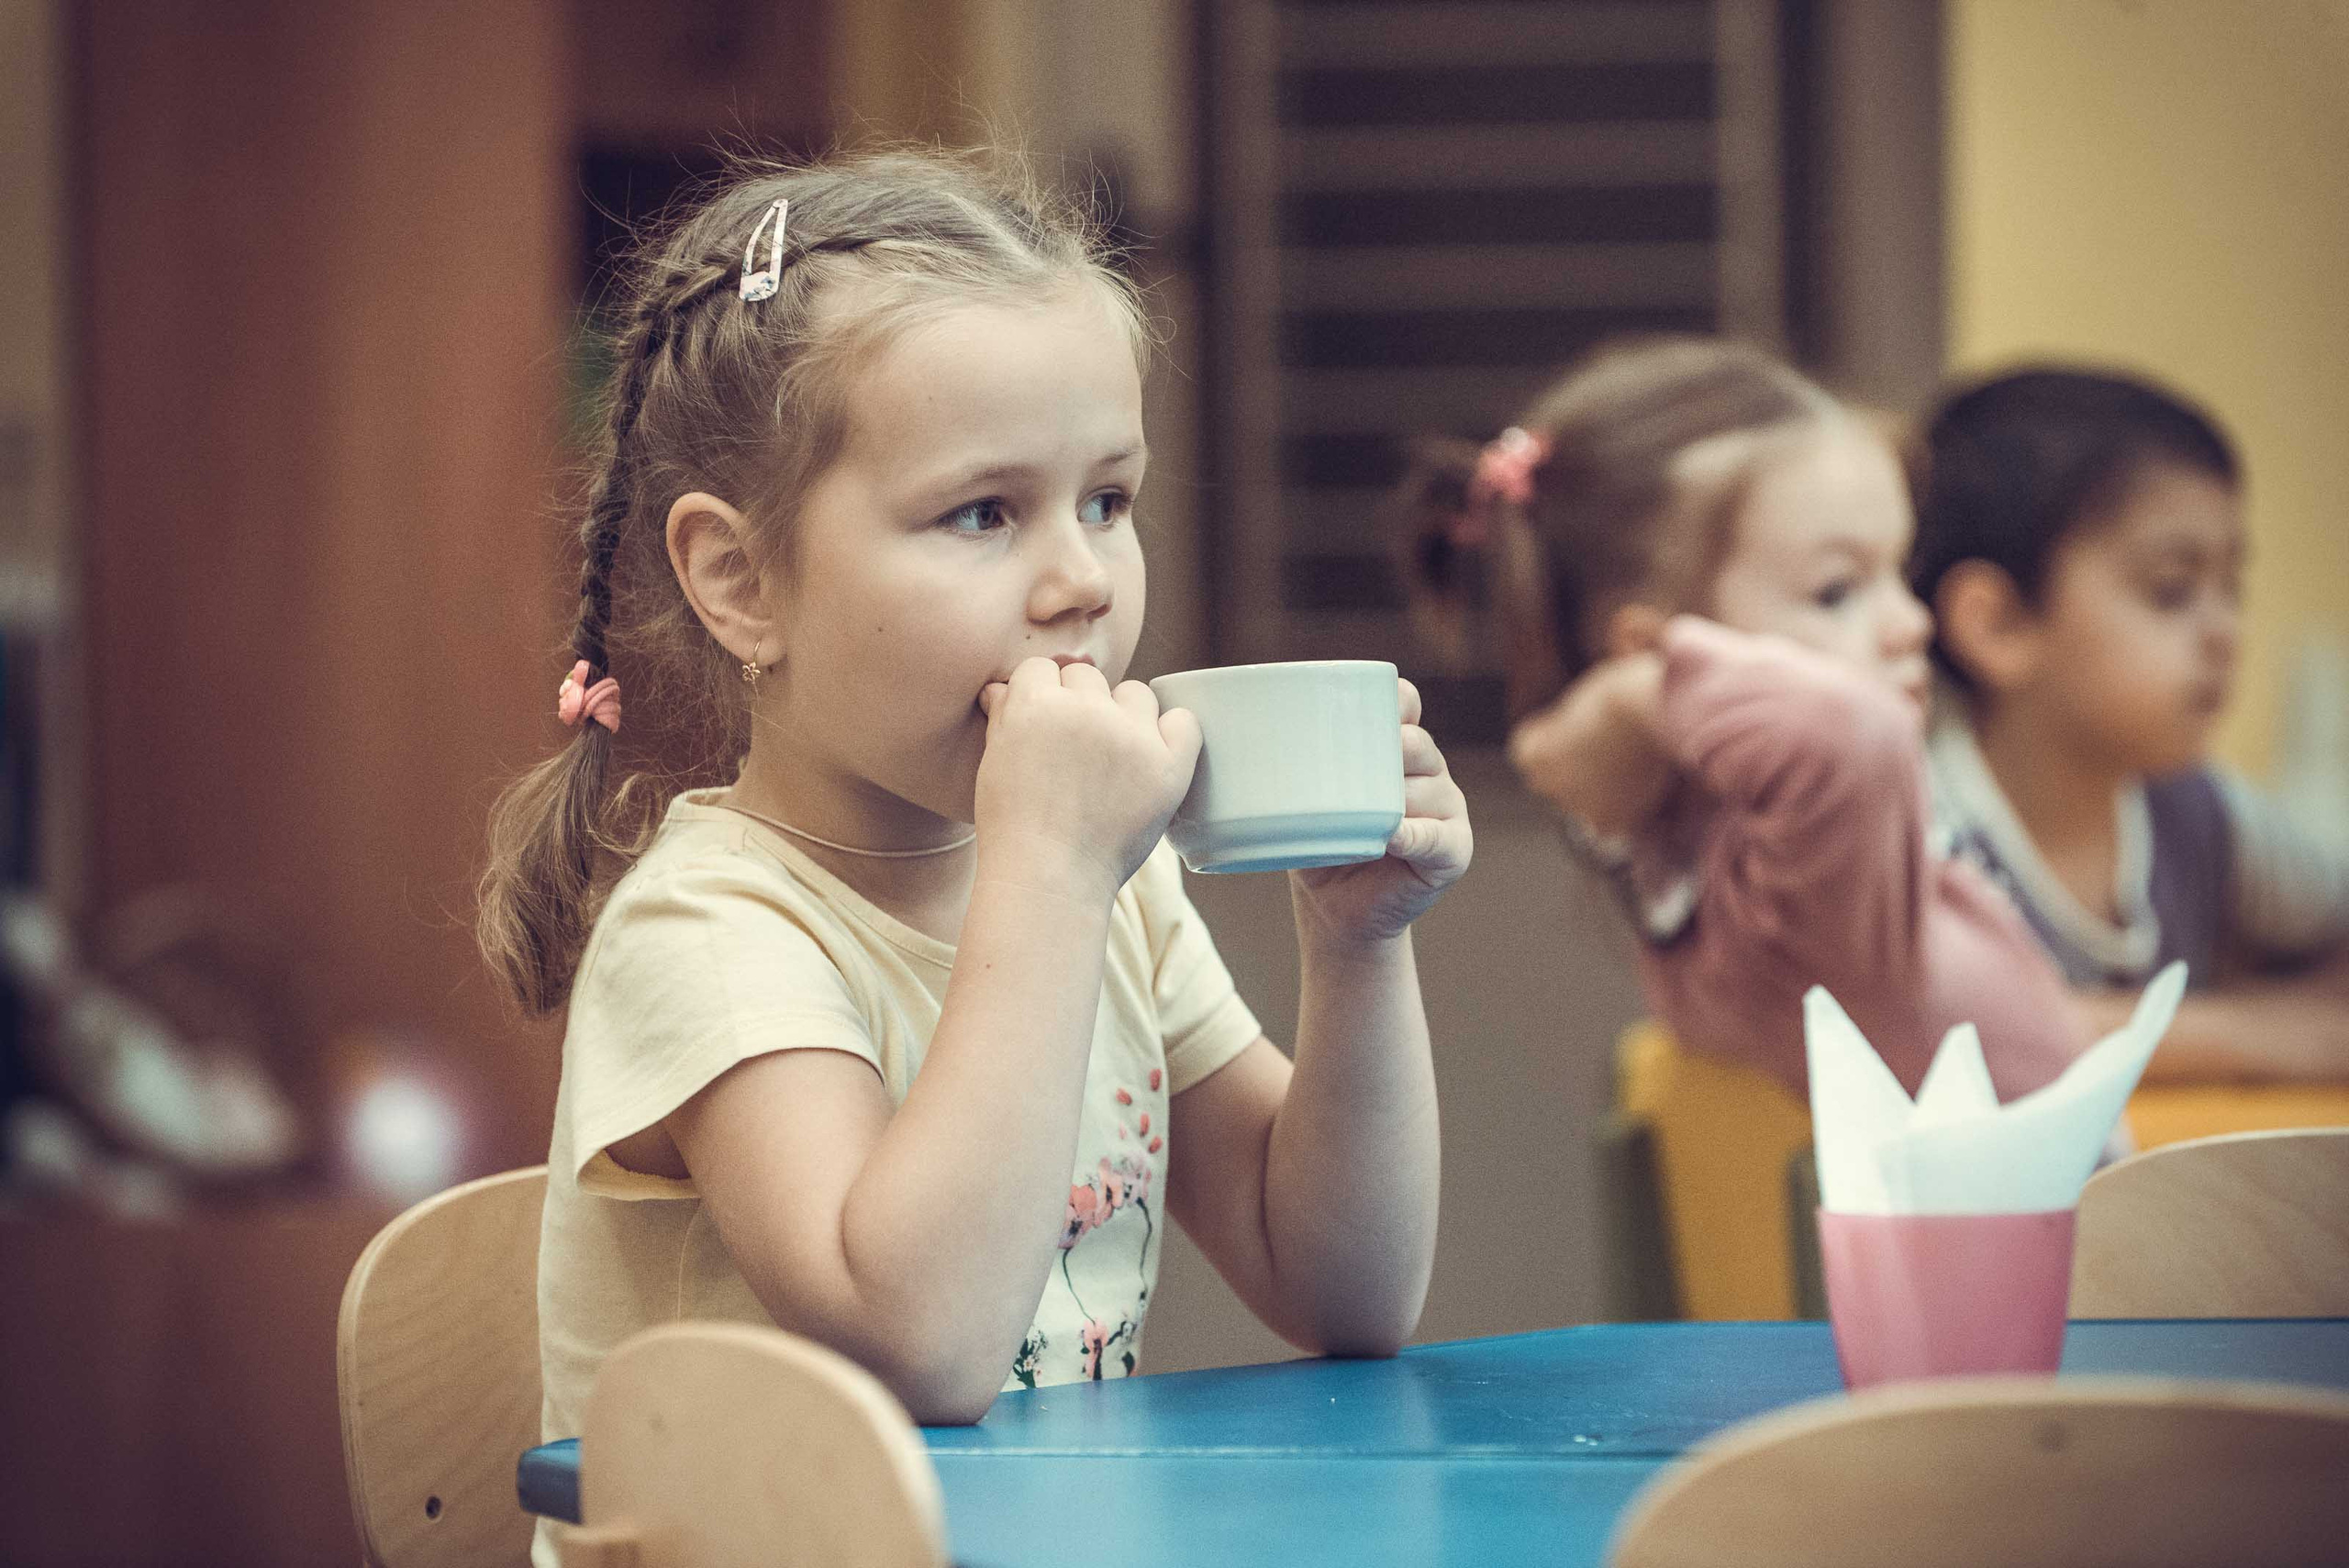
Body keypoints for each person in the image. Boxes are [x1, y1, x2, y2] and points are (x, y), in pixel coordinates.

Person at [475, 149, 1473, 1493]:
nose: (1079, 582)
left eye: (1108, 501)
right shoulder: (713, 930)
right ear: (741, 581)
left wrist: (1357, 948)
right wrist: (1053, 873)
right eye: (983, 512)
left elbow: (1341, 1290)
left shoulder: (1110, 892)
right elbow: (920, 1346)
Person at [1403, 336, 2079, 1098]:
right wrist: (1640, 696)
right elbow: (1852, 738)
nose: (1910, 621)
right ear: (1652, 647)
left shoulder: (1714, 877)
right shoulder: (1795, 891)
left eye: (1900, 571)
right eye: (1837, 591)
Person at [1911, 365, 2349, 1079]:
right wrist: (2262, 1035)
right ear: (1998, 624)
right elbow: (1958, 1035)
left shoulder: (2204, 812)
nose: (2225, 633)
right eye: (2171, 590)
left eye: (2231, 587)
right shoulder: (1924, 829)